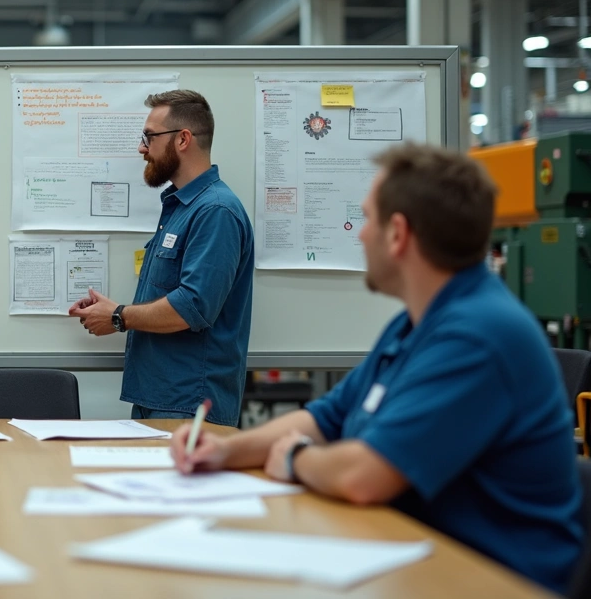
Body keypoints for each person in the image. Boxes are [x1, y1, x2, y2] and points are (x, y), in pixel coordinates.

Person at [171, 143, 582, 594]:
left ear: (398, 234)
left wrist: (295, 456)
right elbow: (325, 417)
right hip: (419, 558)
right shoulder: (416, 324)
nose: (361, 234)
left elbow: (364, 476)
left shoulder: (480, 335)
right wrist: (226, 452)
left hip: (490, 580)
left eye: (368, 218)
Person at [69, 89, 254, 425]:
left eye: (149, 137)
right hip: (162, 397)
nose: (142, 148)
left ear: (183, 140)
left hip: (188, 403)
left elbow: (193, 306)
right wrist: (113, 312)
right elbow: (174, 296)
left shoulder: (215, 211)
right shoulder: (182, 208)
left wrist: (119, 316)